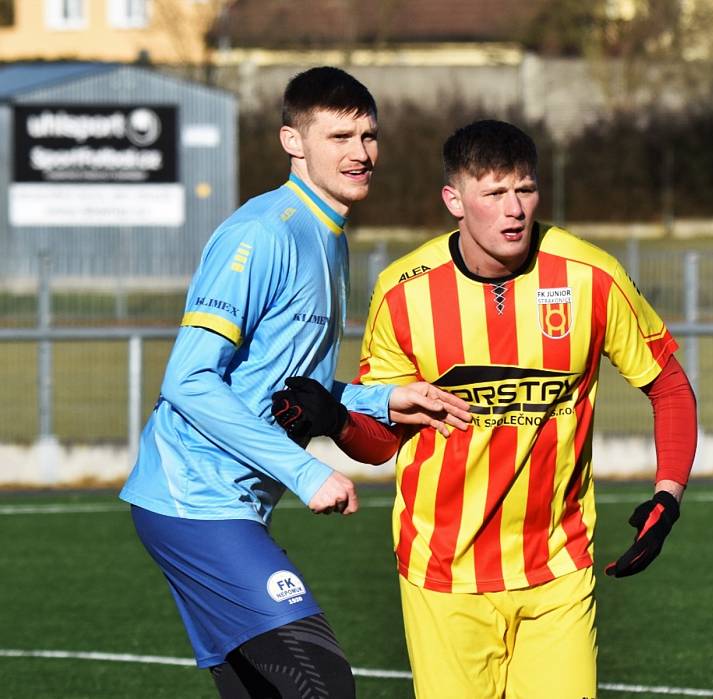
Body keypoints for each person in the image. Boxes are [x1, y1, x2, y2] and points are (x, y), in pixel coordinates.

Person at [273, 119, 697, 699]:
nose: (514, 209)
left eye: (524, 189)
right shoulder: (405, 292)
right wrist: (337, 420)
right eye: (494, 193)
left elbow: (668, 384)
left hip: (558, 569)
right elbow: (382, 442)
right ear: (454, 200)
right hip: (442, 577)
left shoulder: (590, 276)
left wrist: (668, 495)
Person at [119, 66, 471, 699]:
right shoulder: (263, 233)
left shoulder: (326, 234)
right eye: (338, 137)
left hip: (227, 505)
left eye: (368, 136)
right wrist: (306, 471)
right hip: (192, 501)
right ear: (293, 142)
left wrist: (383, 398)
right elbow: (189, 379)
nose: (360, 154)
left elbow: (287, 384)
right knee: (323, 684)